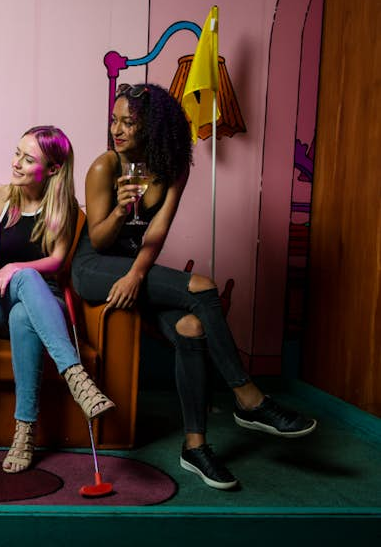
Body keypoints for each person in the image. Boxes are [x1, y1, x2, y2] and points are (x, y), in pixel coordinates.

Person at [72, 83, 317, 490]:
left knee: (191, 327)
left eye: (128, 122)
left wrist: (135, 276)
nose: (117, 129)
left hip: (135, 269)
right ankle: (248, 396)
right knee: (202, 286)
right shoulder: (105, 167)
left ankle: (195, 446)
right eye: (114, 120)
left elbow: (158, 232)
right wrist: (120, 209)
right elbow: (96, 240)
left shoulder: (173, 168)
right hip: (93, 269)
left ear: (152, 127)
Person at [0, 125, 114, 473]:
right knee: (22, 292)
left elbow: (57, 262)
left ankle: (24, 433)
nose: (16, 163)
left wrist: (15, 267)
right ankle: (76, 375)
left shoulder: (63, 209)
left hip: (41, 303)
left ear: (53, 169)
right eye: (17, 153)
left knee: (24, 314)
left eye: (28, 158)